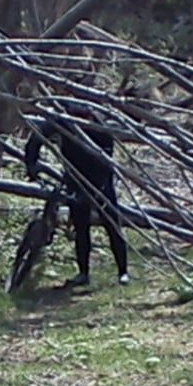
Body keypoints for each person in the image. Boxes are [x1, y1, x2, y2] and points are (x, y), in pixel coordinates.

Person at [24, 113, 129, 287]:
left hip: (100, 177)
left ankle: (123, 272)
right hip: (74, 176)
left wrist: (100, 187)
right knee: (80, 225)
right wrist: (31, 164)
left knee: (111, 222)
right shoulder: (62, 120)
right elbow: (37, 138)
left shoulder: (97, 121)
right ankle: (83, 273)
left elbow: (107, 155)